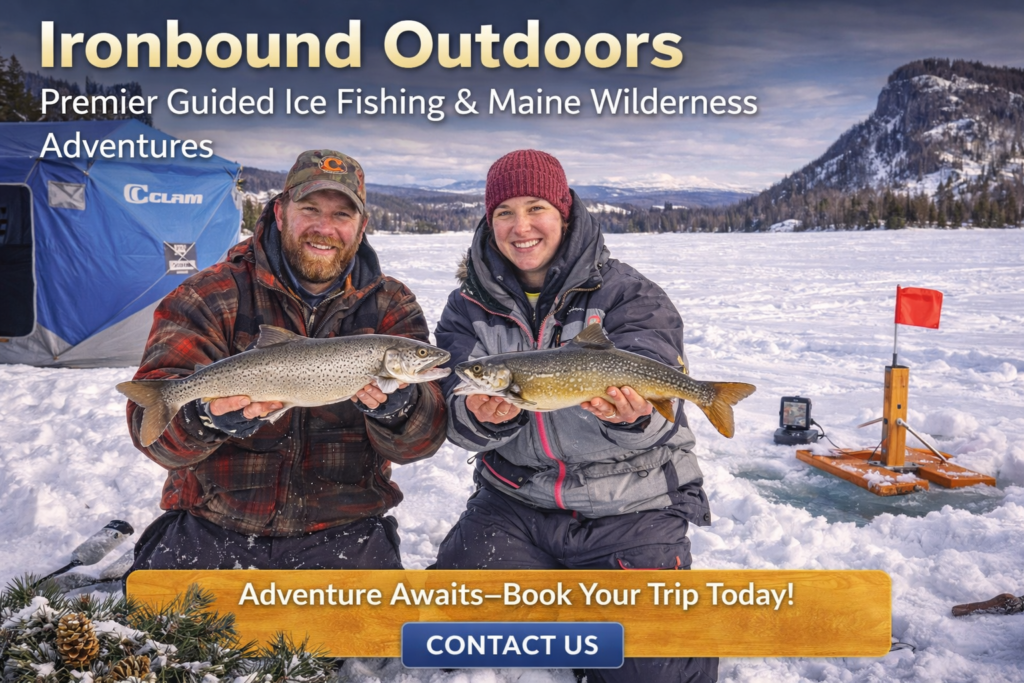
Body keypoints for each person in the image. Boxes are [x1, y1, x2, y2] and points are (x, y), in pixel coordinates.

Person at [432, 150, 718, 683]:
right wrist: (482, 417)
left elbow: (660, 388)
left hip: (632, 506)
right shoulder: (466, 308)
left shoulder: (629, 294)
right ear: (488, 220)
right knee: (438, 629)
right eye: (504, 213)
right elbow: (455, 406)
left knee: (658, 673)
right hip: (515, 503)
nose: (521, 227)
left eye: (536, 207)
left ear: (563, 211)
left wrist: (632, 416)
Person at [125, 149, 446, 575]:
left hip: (344, 529)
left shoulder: (390, 304)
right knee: (158, 639)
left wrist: (400, 411)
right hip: (215, 523)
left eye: (341, 215)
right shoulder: (209, 294)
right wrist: (206, 418)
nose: (323, 228)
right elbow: (155, 441)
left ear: (362, 227)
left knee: (373, 642)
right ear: (279, 212)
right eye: (309, 208)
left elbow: (423, 441)